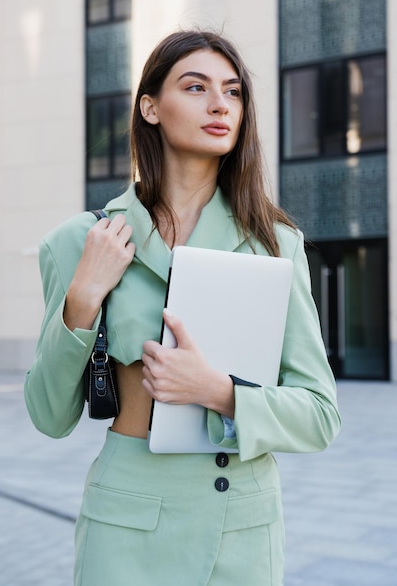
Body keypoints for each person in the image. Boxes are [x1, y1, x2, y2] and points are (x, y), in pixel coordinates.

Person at [25, 29, 341, 586]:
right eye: (196, 87)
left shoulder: (275, 244)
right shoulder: (84, 240)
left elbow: (320, 417)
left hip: (239, 529)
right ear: (150, 106)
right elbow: (50, 418)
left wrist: (216, 391)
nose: (220, 104)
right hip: (126, 526)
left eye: (233, 91)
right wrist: (81, 301)